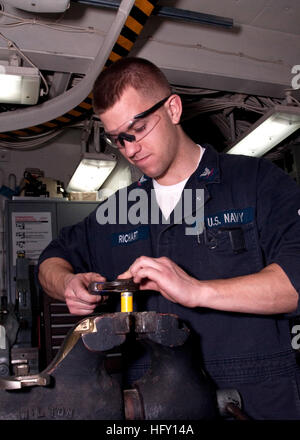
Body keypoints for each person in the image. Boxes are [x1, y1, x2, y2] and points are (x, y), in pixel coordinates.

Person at [38, 57, 300, 420]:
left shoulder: (256, 183)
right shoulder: (119, 210)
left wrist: (197, 290)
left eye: (138, 129)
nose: (129, 149)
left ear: (173, 108)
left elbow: (295, 282)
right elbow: (51, 258)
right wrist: (68, 282)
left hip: (252, 396)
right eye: (117, 139)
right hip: (151, 403)